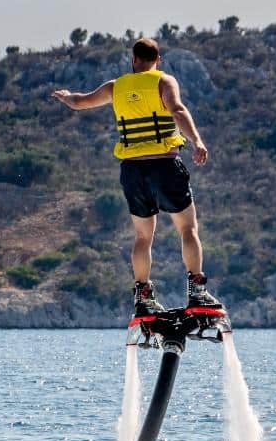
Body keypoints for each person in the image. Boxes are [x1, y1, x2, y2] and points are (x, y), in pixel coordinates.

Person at [52, 36, 217, 318]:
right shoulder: (164, 81)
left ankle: (143, 297)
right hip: (164, 166)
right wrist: (197, 141)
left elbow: (80, 102)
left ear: (133, 60)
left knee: (142, 236)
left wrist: (66, 97)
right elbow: (177, 110)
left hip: (133, 171)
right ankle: (197, 293)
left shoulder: (116, 87)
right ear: (158, 60)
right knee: (188, 229)